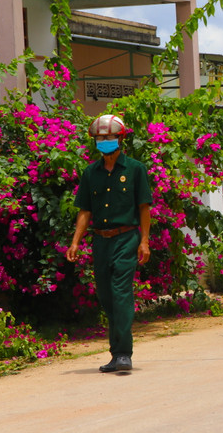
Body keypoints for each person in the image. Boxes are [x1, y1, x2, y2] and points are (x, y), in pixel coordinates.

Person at [66, 115, 152, 373]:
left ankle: (124, 353)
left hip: (126, 238)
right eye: (100, 138)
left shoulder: (135, 169)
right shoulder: (90, 172)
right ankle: (115, 355)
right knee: (106, 297)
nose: (105, 142)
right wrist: (75, 242)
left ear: (121, 138)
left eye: (109, 137)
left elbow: (144, 207)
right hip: (100, 242)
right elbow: (84, 211)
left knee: (121, 293)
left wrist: (144, 242)